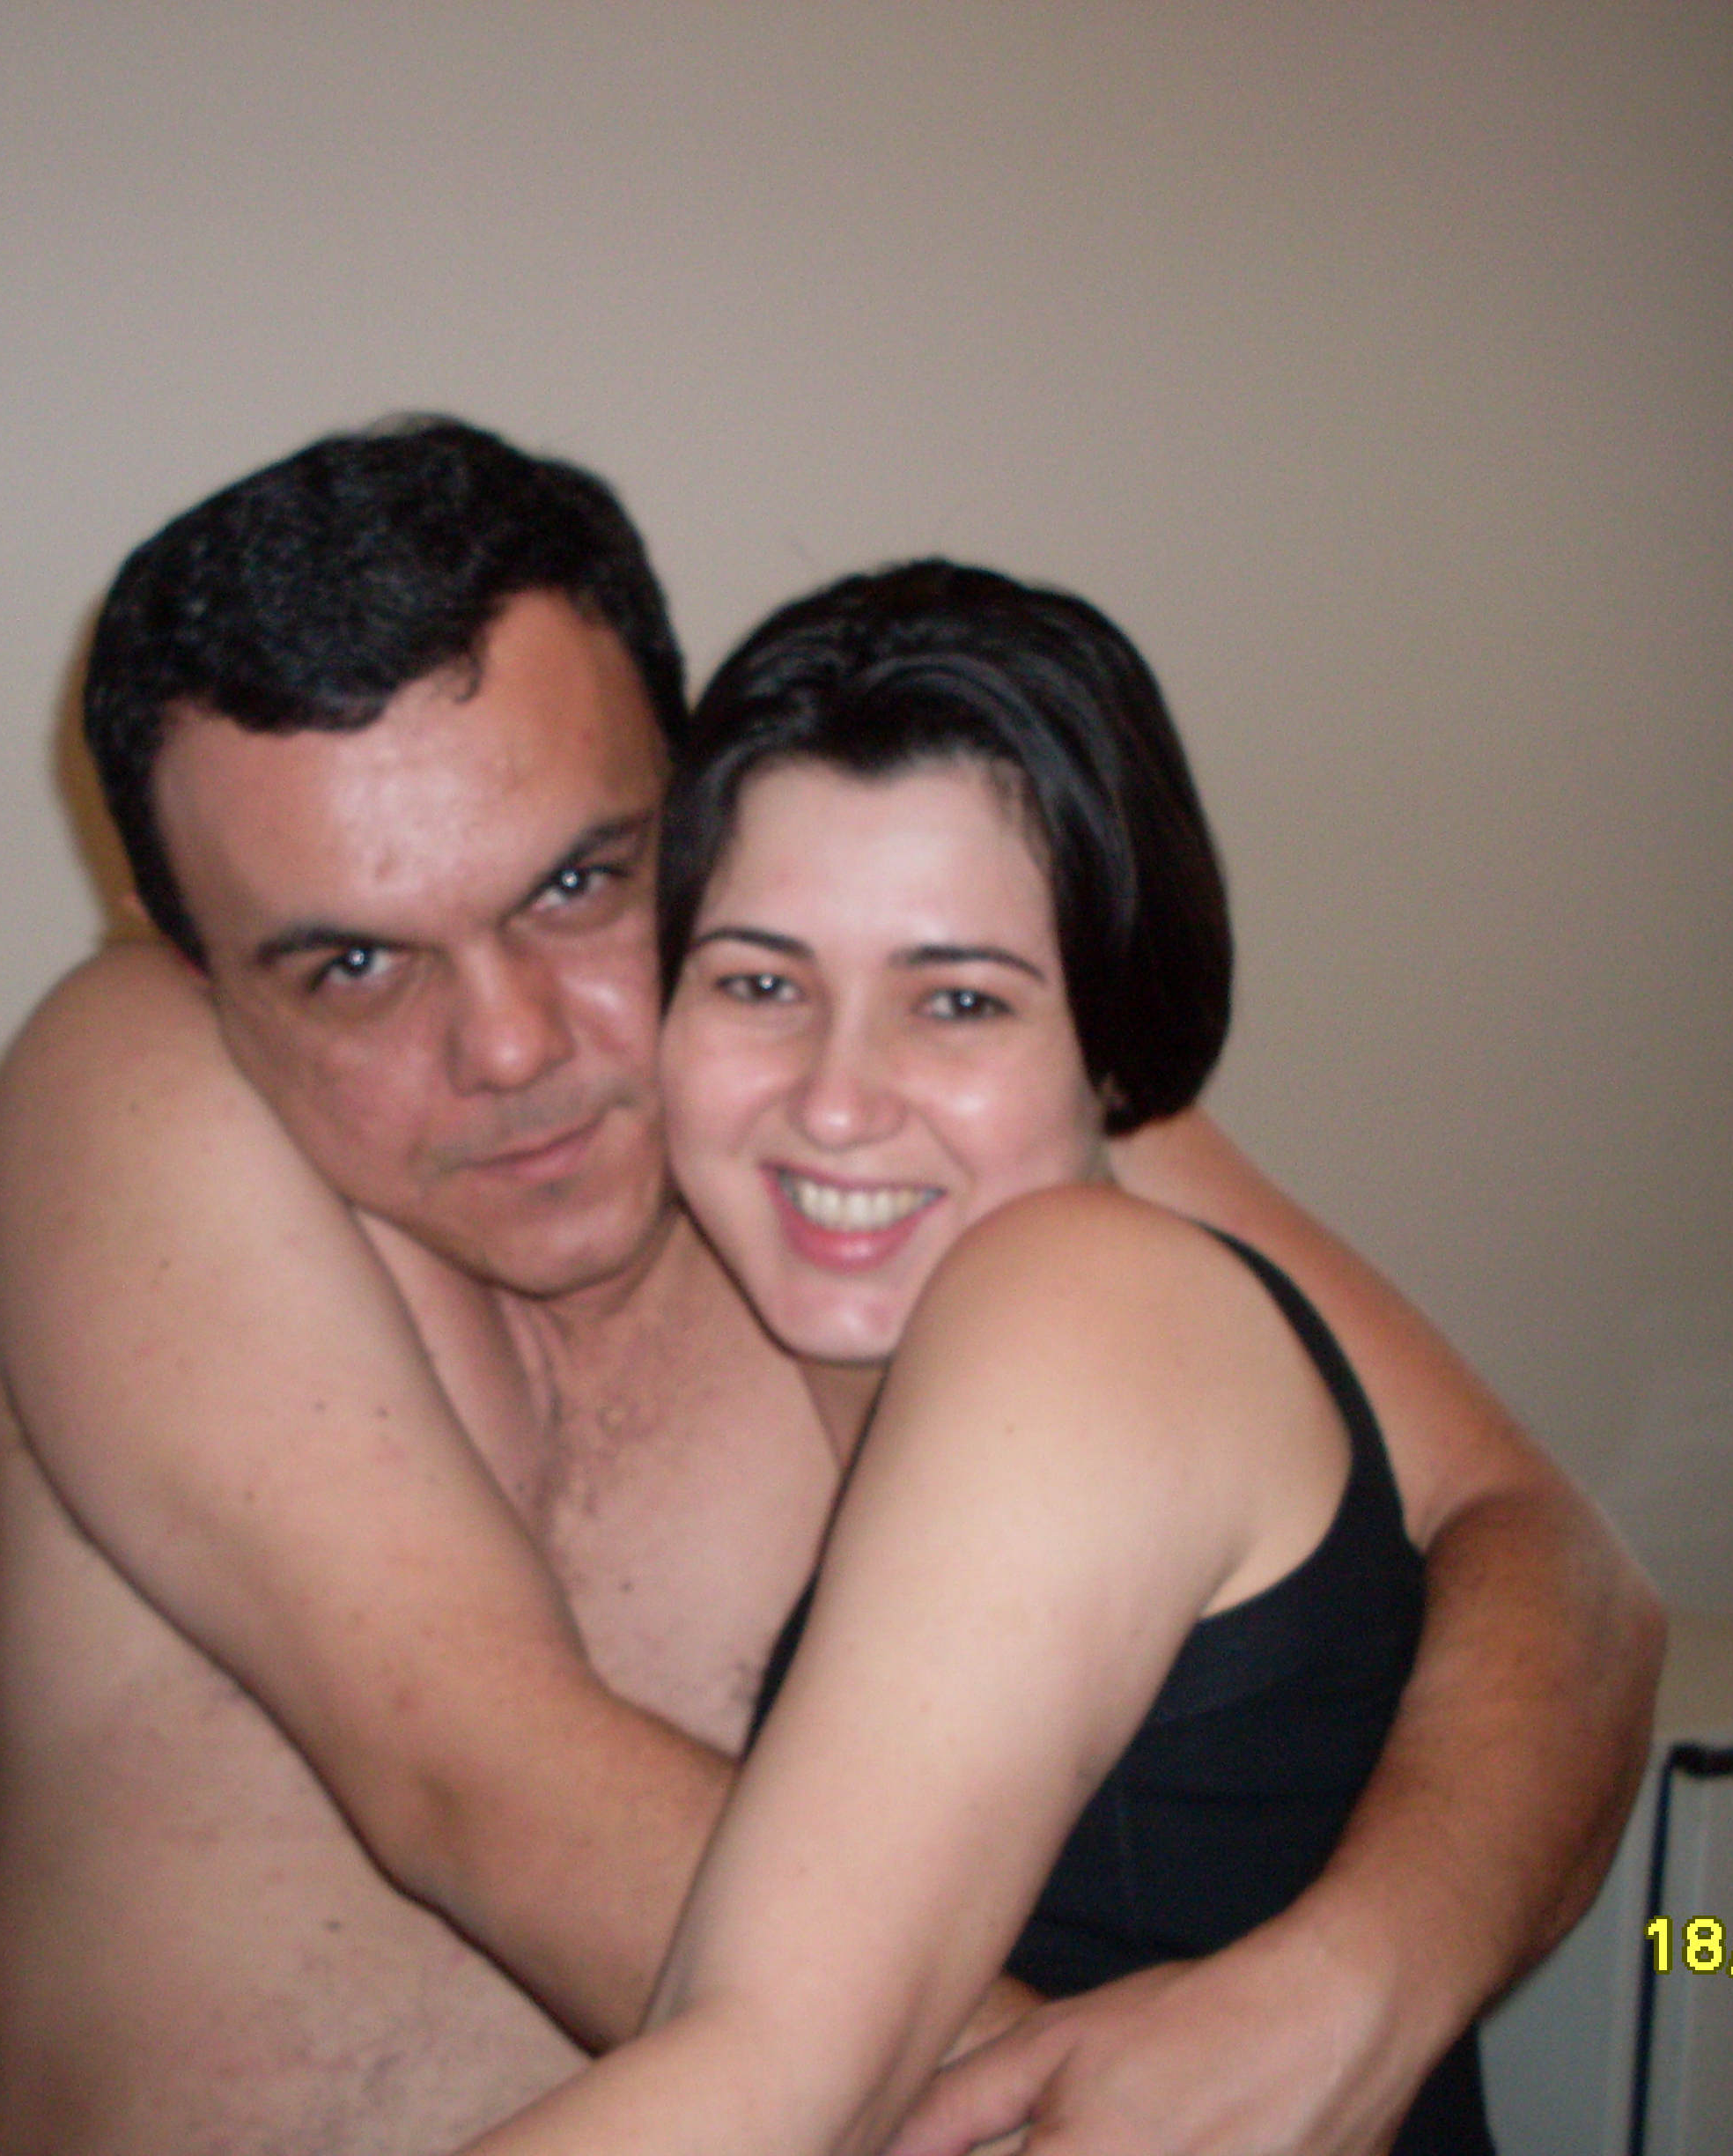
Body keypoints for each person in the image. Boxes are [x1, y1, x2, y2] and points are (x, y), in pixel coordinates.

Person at [0, 417, 1661, 2156]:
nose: (510, 1049)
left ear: (697, 803)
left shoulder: (921, 1122)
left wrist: (1363, 1983)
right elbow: (473, 1783)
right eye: (355, 965)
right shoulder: (142, 1090)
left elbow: (1546, 1555)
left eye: (580, 884)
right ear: (194, 959)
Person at [455, 558, 1493, 2156]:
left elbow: (778, 2072)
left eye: (956, 1002)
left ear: (1115, 1045)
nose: (836, 1098)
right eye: (759, 983)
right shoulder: (960, 1350)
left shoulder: (1082, 1303)